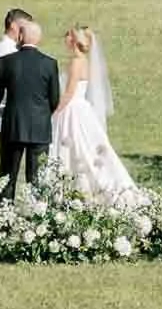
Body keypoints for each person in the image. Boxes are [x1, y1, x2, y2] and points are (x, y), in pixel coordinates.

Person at [50, 24, 136, 197]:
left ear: (74, 41)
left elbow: (69, 92)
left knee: (76, 148)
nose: (65, 39)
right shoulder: (84, 61)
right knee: (85, 146)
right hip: (81, 108)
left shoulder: (76, 62)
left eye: (68, 36)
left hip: (72, 109)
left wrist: (54, 112)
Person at [0, 17, 62, 198]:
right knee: (36, 178)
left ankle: (3, 218)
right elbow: (54, 98)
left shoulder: (7, 61)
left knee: (7, 177)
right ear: (39, 39)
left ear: (20, 36)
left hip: (13, 125)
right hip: (39, 127)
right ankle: (35, 218)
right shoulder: (49, 63)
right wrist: (44, 114)